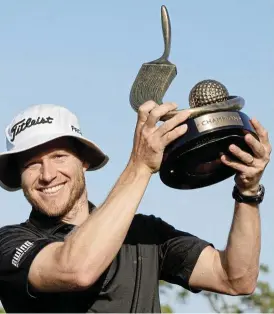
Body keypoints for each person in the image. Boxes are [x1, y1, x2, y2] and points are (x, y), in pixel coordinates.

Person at [0, 101, 271, 313]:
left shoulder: (143, 232)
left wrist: (247, 193)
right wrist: (140, 165)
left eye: (59, 156)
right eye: (31, 164)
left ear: (83, 161)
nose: (47, 174)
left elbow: (236, 278)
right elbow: (76, 269)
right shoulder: (9, 243)